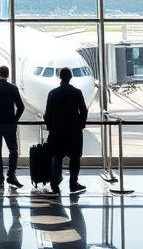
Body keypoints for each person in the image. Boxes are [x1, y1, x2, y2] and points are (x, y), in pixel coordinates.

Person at [43, 67, 88, 195]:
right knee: (74, 158)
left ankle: (55, 184)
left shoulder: (53, 93)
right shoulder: (76, 92)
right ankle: (73, 183)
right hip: (73, 131)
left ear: (59, 77)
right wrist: (81, 124)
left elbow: (48, 113)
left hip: (57, 131)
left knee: (57, 157)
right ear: (70, 77)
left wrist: (50, 127)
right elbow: (84, 111)